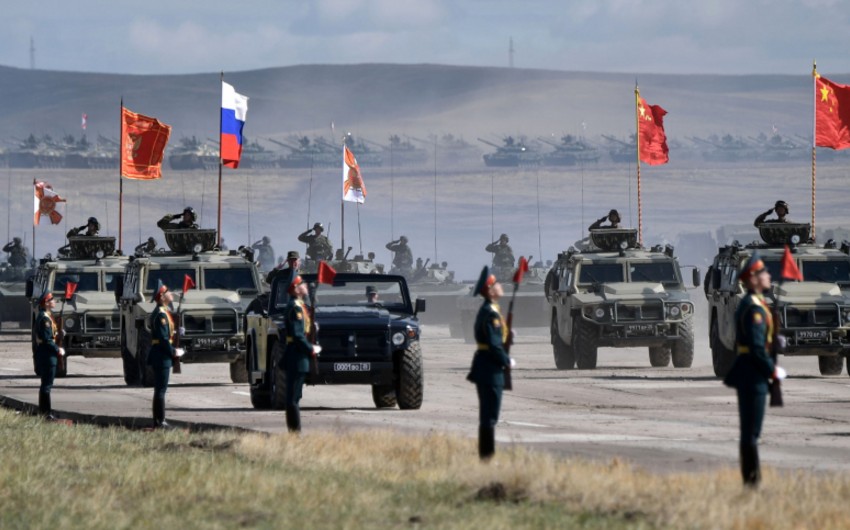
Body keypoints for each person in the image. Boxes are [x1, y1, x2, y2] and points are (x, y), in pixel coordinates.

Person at [723, 251, 785, 487]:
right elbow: (757, 348)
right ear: (753, 279)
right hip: (753, 374)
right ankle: (752, 483)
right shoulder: (754, 308)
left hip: (749, 372)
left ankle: (751, 481)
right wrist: (773, 371)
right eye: (764, 273)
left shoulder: (754, 304)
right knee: (752, 433)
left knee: (750, 432)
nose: (769, 276)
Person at [467, 266, 512, 461]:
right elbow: (494, 345)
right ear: (490, 290)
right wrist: (507, 360)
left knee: (489, 415)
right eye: (496, 284)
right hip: (490, 368)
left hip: (486, 365)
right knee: (490, 416)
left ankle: (487, 456)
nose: (500, 286)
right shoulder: (491, 313)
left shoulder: (491, 310)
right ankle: (487, 457)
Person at [283, 274, 315, 432]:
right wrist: (310, 349)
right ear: (296, 289)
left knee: (294, 397)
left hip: (296, 355)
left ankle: (294, 432)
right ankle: (295, 433)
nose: (306, 286)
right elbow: (297, 335)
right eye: (302, 284)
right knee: (293, 399)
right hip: (297, 356)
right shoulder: (296, 308)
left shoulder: (299, 305)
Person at [148, 283, 178, 428]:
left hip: (161, 354)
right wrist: (173, 351)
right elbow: (163, 338)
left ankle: (159, 420)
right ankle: (160, 421)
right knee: (160, 390)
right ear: (161, 297)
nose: (171, 293)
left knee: (160, 389)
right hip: (161, 355)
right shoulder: (160, 315)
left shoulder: (163, 311)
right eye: (167, 292)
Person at [34, 292, 63, 419]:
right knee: (46, 385)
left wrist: (60, 334)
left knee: (46, 384)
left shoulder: (47, 316)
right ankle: (46, 414)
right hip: (47, 354)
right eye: (52, 299)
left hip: (47, 353)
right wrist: (58, 349)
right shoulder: (44, 319)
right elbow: (47, 339)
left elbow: (52, 335)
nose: (54, 301)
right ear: (46, 303)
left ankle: (45, 412)